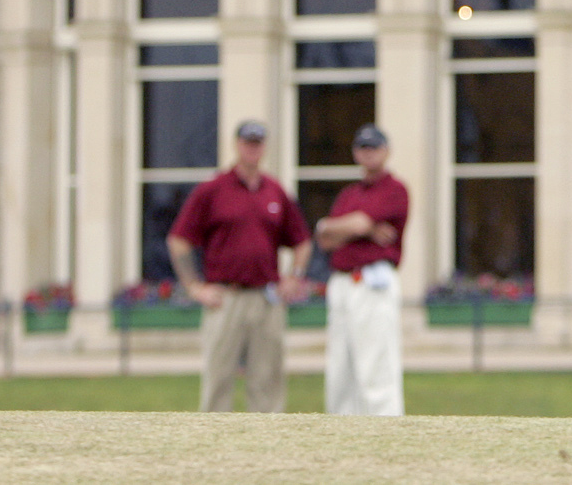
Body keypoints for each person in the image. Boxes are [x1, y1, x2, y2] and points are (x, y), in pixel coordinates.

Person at [167, 119, 312, 413]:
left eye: (258, 143)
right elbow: (178, 240)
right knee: (218, 378)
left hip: (265, 298)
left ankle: (267, 443)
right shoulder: (213, 189)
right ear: (236, 145)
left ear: (265, 147)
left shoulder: (275, 191)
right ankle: (215, 445)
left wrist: (294, 276)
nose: (252, 148)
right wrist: (195, 287)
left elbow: (302, 240)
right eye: (247, 142)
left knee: (267, 380)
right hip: (225, 297)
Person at [316, 124, 409, 416]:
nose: (368, 154)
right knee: (340, 367)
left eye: (374, 148)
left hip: (373, 281)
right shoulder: (349, 194)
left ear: (387, 151)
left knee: (376, 364)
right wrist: (354, 226)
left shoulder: (395, 189)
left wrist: (348, 226)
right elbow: (324, 235)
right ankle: (343, 430)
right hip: (342, 282)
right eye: (363, 148)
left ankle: (385, 429)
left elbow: (355, 224)